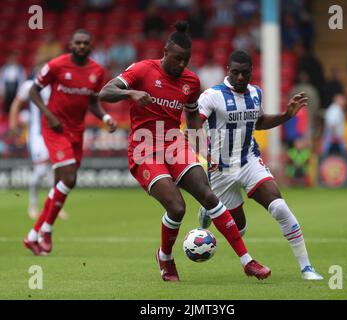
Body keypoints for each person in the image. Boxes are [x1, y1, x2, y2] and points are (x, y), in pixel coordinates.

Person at [99, 21, 271, 282]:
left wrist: (204, 151)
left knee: (208, 196)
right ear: (166, 51)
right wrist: (132, 94)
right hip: (144, 148)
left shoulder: (191, 81)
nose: (182, 65)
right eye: (177, 59)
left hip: (173, 142)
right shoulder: (143, 69)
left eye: (186, 60)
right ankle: (165, 257)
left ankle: (247, 261)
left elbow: (192, 119)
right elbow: (105, 92)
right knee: (177, 207)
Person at [195, 50, 323, 280]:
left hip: (249, 161)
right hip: (221, 170)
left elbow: (260, 122)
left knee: (280, 207)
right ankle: (207, 210)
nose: (241, 77)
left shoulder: (256, 93)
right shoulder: (211, 96)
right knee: (239, 228)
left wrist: (286, 115)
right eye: (236, 73)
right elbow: (194, 125)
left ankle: (307, 268)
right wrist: (203, 153)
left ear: (252, 71)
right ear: (228, 71)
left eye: (245, 73)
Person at [23, 29, 117, 256]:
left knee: (61, 185)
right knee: (69, 178)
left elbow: (92, 102)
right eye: (78, 43)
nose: (82, 46)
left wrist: (104, 117)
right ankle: (46, 230)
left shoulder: (96, 71)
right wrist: (49, 115)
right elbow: (33, 92)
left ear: (90, 45)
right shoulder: (56, 65)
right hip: (55, 128)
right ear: (71, 45)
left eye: (85, 43)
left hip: (77, 130)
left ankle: (32, 236)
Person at [8, 64, 68, 220]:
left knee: (55, 172)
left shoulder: (56, 86)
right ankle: (33, 205)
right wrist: (13, 123)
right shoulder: (29, 85)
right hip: (37, 135)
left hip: (55, 134)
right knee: (41, 171)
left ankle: (55, 206)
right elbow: (16, 103)